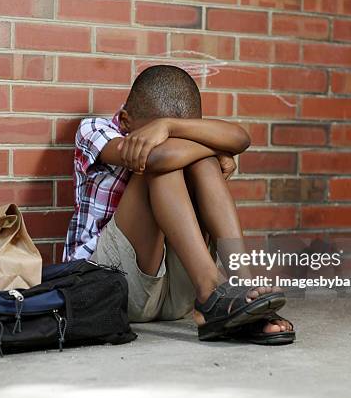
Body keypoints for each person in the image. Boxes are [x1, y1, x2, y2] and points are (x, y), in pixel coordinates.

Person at [63, 65, 295, 345]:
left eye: (185, 130)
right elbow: (159, 158)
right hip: (110, 288)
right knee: (160, 165)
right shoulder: (94, 129)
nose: (172, 137)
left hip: (175, 296)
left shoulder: (172, 129)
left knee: (201, 163)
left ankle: (240, 289)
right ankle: (213, 289)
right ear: (126, 121)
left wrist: (169, 127)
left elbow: (242, 138)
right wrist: (216, 147)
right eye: (159, 130)